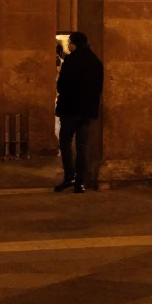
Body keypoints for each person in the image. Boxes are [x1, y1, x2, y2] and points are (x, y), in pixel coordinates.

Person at [54, 31, 103, 194]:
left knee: (65, 142)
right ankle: (80, 182)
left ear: (74, 43)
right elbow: (98, 89)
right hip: (87, 111)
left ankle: (70, 175)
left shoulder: (70, 60)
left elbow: (61, 86)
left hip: (70, 110)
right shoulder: (96, 61)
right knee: (83, 146)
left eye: (70, 42)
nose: (68, 45)